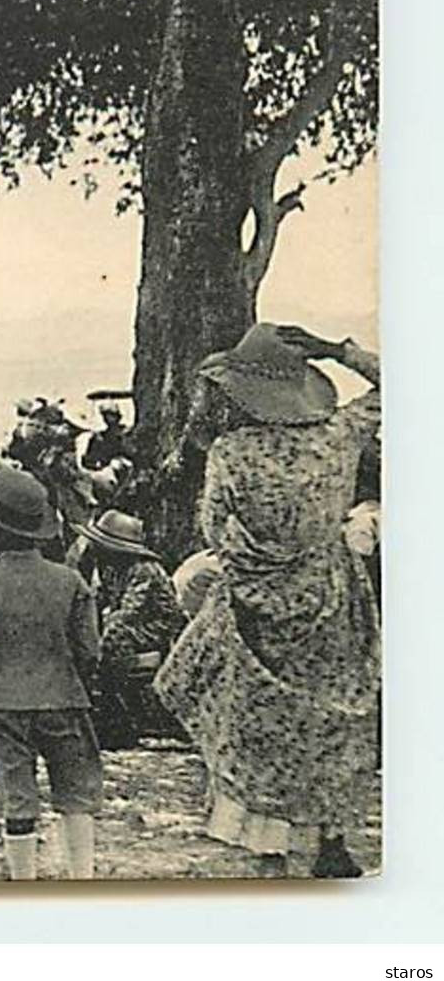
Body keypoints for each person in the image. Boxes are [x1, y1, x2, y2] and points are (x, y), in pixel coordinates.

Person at [154, 324, 380, 879]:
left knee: (258, 717)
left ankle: (269, 849)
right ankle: (330, 837)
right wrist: (338, 349)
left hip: (257, 600)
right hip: (330, 594)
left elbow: (212, 525)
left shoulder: (231, 453)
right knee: (329, 715)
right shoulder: (341, 435)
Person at [0, 466, 101, 881]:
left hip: (6, 700)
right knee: (76, 793)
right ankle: (82, 877)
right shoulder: (70, 582)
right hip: (65, 696)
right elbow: (90, 650)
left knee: (16, 795)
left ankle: (23, 882)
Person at [73, 510, 187, 749]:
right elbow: (98, 600)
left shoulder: (144, 569)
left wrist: (100, 640)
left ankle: (115, 716)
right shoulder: (110, 568)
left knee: (114, 639)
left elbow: (130, 612)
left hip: (158, 627)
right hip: (131, 624)